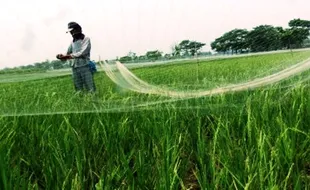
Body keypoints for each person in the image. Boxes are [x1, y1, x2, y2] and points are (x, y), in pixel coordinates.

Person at [56, 22, 96, 93]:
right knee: (78, 89)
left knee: (90, 88)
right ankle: (81, 102)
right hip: (75, 67)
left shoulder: (86, 39)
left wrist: (68, 56)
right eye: (70, 32)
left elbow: (82, 53)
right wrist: (61, 56)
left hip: (85, 66)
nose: (71, 34)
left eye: (72, 31)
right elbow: (68, 53)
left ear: (78, 29)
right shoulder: (72, 42)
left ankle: (94, 101)